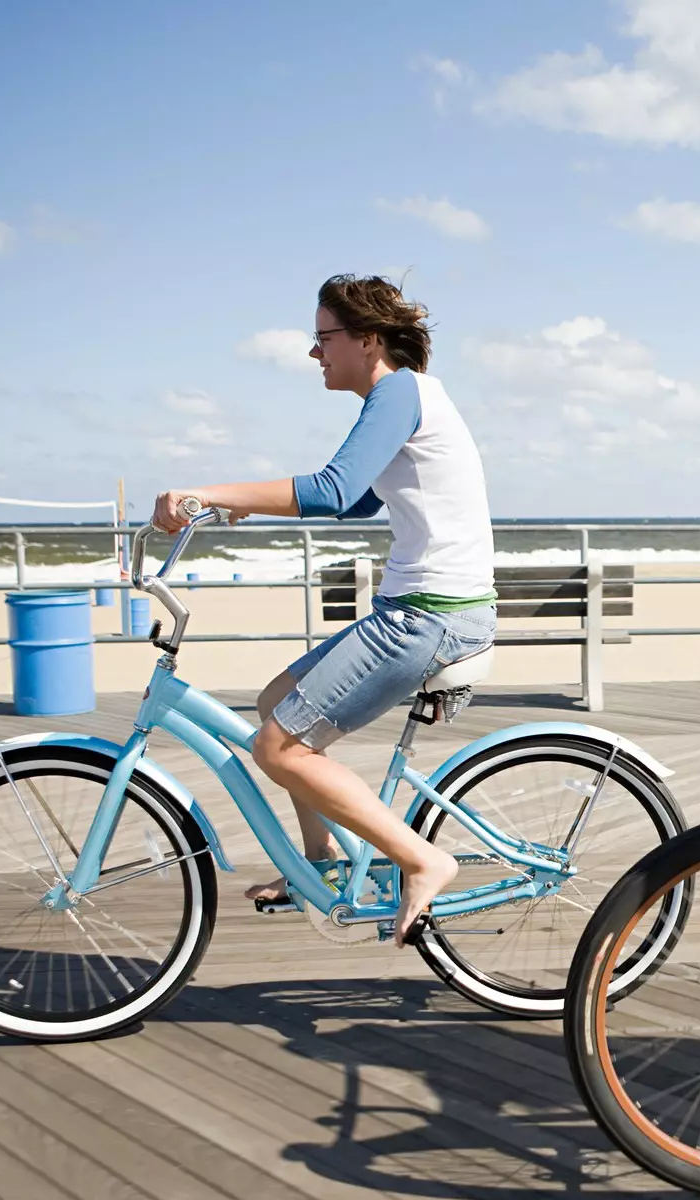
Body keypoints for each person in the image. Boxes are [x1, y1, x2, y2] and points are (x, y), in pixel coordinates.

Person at [152, 274, 497, 945]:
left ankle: (423, 858)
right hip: (424, 608)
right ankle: (323, 865)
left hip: (430, 615)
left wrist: (199, 490)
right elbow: (363, 498)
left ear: (369, 339)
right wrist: (233, 505)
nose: (315, 354)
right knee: (276, 699)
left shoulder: (399, 390)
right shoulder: (402, 397)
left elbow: (335, 491)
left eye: (324, 339)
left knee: (277, 747)